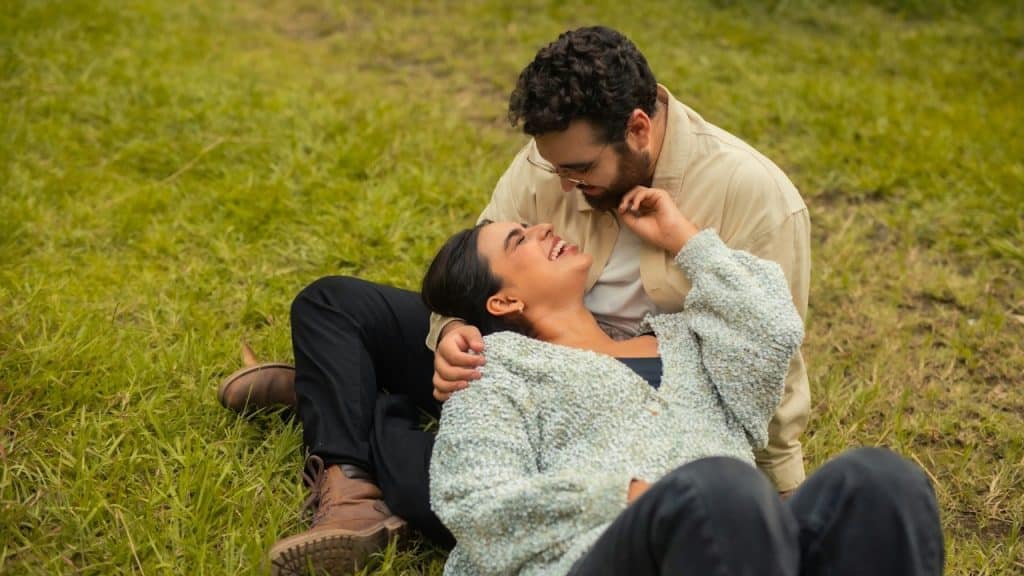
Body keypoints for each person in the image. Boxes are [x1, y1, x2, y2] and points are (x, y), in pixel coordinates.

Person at [216, 25, 811, 574]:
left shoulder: (751, 194)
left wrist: (780, 495)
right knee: (332, 303)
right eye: (554, 168)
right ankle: (349, 485)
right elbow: (477, 274)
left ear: (637, 128)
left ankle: (341, 390)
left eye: (579, 170)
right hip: (512, 351)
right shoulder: (551, 158)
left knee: (435, 483)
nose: (561, 191)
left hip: (642, 387)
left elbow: (765, 351)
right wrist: (451, 331)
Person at [419, 192, 943, 575]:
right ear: (504, 302)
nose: (541, 230)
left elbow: (775, 330)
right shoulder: (493, 369)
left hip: (745, 543)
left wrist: (686, 241)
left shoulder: (684, 340)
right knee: (717, 491)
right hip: (600, 556)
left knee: (880, 481)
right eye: (519, 239)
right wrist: (632, 497)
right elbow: (474, 502)